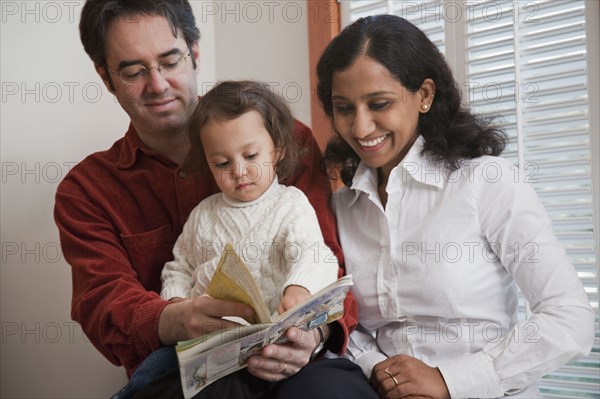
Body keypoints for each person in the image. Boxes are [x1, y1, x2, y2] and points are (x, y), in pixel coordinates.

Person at [54, 1, 376, 398]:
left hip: (296, 357)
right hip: (192, 370)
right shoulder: (88, 190)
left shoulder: (284, 138)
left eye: (170, 62)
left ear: (195, 53)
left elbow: (324, 257)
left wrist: (313, 333)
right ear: (106, 77)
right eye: (134, 72)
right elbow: (104, 304)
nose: (157, 85)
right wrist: (174, 315)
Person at [317, 14, 595, 399]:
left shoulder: (488, 183)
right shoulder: (342, 206)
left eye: (379, 103)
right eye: (344, 108)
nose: (361, 128)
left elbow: (570, 319)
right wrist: (377, 368)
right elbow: (349, 324)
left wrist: (449, 380)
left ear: (425, 95)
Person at [160, 80, 338, 317]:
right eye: (222, 163)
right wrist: (178, 303)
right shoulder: (203, 214)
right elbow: (179, 268)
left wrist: (299, 289)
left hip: (273, 333)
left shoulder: (290, 205)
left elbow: (314, 255)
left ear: (278, 150)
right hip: (209, 337)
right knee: (156, 358)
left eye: (251, 156)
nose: (238, 171)